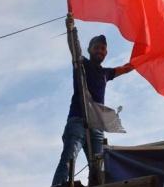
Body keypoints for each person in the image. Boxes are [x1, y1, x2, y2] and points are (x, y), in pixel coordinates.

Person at [52, 14, 133, 186]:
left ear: (106, 53)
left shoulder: (106, 73)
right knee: (68, 159)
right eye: (96, 47)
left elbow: (126, 68)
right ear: (89, 49)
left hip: (96, 127)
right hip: (77, 121)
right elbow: (74, 48)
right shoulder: (81, 63)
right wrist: (70, 29)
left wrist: (144, 58)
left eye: (103, 48)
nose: (100, 50)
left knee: (98, 168)